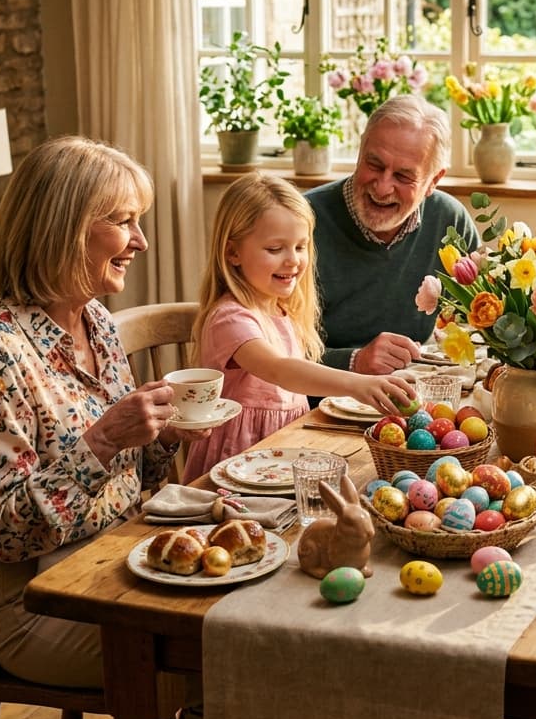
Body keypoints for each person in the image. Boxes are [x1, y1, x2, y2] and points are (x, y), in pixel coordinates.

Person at [0, 136, 188, 689]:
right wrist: (102, 441)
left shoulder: (98, 322)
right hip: (31, 598)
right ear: (64, 228)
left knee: (238, 613)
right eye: (124, 221)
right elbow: (2, 532)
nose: (141, 241)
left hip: (116, 554)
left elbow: (139, 477)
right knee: (212, 648)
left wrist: (164, 434)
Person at [182, 172, 414, 482]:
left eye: (301, 247)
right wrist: (358, 384)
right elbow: (281, 370)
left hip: (282, 456)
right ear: (233, 252)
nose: (293, 261)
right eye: (275, 249)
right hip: (237, 470)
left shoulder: (280, 310)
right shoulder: (230, 319)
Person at [305, 94, 481, 374]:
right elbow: (267, 353)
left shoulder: (450, 222)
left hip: (414, 398)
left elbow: (480, 332)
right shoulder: (300, 221)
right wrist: (354, 361)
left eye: (403, 177)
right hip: (315, 404)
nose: (383, 187)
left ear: (433, 181)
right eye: (374, 165)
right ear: (360, 151)